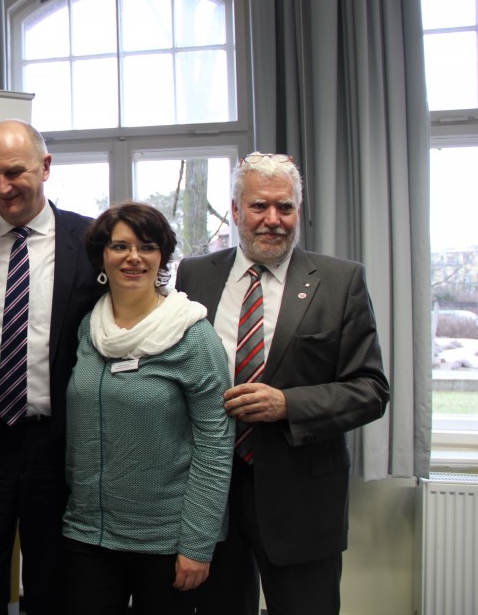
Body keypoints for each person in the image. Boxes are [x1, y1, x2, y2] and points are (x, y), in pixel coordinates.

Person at [174, 152, 390, 615]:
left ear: (297, 211)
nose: (272, 220)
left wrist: (287, 404)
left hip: (302, 503)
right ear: (235, 211)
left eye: (285, 207)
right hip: (214, 501)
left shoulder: (339, 281)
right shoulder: (194, 275)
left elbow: (371, 389)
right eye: (258, 207)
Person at [0, 119, 102, 615]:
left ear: (45, 167)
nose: (2, 188)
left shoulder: (91, 239)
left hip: (60, 442)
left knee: (54, 585)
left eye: (13, 172)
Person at [61, 202, 233, 614]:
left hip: (166, 541)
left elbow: (216, 443)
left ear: (163, 257)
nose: (134, 257)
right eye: (120, 246)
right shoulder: (89, 328)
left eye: (148, 247)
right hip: (89, 535)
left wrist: (197, 541)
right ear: (102, 256)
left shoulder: (194, 336)